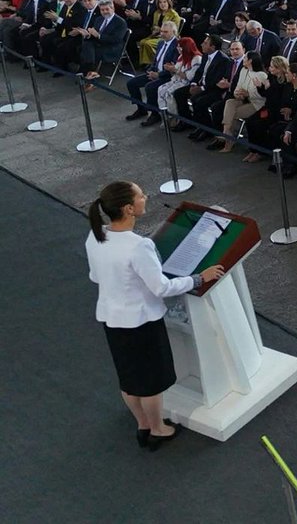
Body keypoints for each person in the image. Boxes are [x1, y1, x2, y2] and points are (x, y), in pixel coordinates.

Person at [86, 181, 225, 450]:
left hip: (111, 319)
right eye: (140, 195)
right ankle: (158, 429)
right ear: (129, 208)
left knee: (128, 379)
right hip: (141, 322)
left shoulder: (96, 236)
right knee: (151, 382)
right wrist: (197, 279)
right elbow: (161, 287)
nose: (145, 197)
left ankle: (142, 425)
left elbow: (95, 276)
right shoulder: (138, 246)